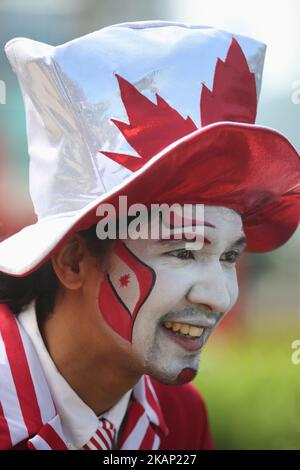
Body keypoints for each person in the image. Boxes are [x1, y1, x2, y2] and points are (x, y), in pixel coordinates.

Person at [0, 21, 299, 451]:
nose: (218, 298)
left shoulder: (181, 417)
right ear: (73, 261)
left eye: (230, 258)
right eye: (182, 251)